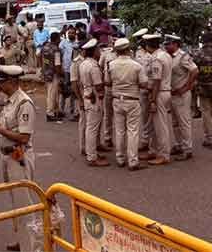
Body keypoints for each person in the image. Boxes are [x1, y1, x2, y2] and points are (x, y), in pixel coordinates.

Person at [0, 65, 41, 252]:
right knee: (16, 203)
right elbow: (8, 127)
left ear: (12, 82)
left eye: (1, 82)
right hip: (8, 156)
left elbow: (23, 137)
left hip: (18, 157)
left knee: (25, 205)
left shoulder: (23, 103)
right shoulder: (10, 101)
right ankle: (22, 240)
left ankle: (32, 247)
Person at [104, 38, 148, 171]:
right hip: (132, 100)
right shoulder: (136, 66)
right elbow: (144, 84)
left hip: (117, 99)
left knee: (119, 130)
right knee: (133, 131)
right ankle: (133, 161)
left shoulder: (110, 65)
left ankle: (120, 158)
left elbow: (107, 82)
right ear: (128, 49)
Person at [140, 33, 173, 166]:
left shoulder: (157, 59)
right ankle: (153, 150)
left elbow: (157, 81)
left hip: (159, 93)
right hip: (163, 92)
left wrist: (153, 100)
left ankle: (164, 155)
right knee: (154, 125)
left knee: (161, 126)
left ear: (148, 45)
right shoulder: (164, 55)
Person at [164, 34, 198, 160]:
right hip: (172, 94)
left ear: (176, 44)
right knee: (175, 122)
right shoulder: (167, 56)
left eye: (168, 44)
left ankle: (187, 149)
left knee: (184, 122)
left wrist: (186, 87)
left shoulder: (183, 56)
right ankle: (179, 145)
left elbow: (195, 71)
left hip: (182, 94)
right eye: (166, 44)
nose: (166, 46)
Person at [79, 39, 109, 167]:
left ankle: (93, 152)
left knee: (91, 127)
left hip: (87, 95)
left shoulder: (83, 63)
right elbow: (98, 85)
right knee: (92, 128)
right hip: (94, 98)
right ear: (94, 51)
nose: (100, 52)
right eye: (98, 50)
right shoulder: (93, 66)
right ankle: (92, 156)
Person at [59, 28, 79, 122]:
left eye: (73, 33)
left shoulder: (77, 43)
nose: (71, 34)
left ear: (75, 34)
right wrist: (61, 68)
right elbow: (60, 55)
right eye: (69, 33)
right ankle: (61, 110)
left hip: (75, 70)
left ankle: (73, 110)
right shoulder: (63, 43)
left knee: (74, 91)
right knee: (64, 90)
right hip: (66, 69)